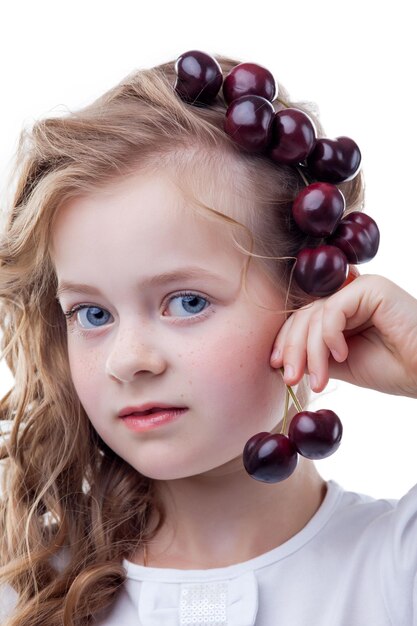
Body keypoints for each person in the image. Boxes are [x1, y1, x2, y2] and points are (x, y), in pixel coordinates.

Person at [0, 51, 416, 626]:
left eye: (187, 302)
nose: (128, 361)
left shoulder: (398, 570)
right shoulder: (22, 587)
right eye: (92, 314)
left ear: (310, 296)